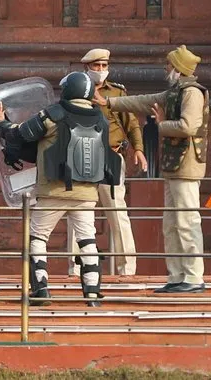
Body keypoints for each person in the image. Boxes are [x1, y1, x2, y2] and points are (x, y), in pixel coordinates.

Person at [0, 72, 122, 307]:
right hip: (87, 193)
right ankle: (92, 293)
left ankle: (41, 290)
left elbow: (20, 133)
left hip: (53, 190)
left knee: (38, 238)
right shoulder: (100, 119)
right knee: (87, 240)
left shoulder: (53, 114)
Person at [101, 45, 209, 293]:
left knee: (187, 221)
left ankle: (193, 276)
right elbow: (144, 101)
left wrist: (161, 125)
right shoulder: (175, 92)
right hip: (174, 166)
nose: (165, 69)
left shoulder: (192, 92)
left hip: (187, 166)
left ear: (178, 69)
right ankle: (177, 275)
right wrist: (109, 101)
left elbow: (188, 126)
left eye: (169, 65)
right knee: (171, 223)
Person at [67, 48, 146, 277]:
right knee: (79, 212)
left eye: (104, 66)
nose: (100, 70)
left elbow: (131, 123)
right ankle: (75, 268)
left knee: (117, 211)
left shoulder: (117, 93)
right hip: (81, 155)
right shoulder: (75, 90)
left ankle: (127, 269)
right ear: (87, 68)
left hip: (111, 155)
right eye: (96, 66)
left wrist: (138, 149)